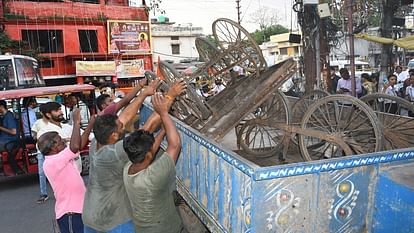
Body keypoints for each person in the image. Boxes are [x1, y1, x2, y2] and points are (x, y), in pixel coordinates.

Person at [82, 80, 185, 233]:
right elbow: (146, 130)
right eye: (120, 128)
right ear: (114, 135)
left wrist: (143, 94)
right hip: (112, 221)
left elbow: (125, 117)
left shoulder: (97, 141)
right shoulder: (114, 154)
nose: (123, 125)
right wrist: (169, 98)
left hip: (89, 215)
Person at [123, 93, 184, 233]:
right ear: (148, 154)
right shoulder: (152, 177)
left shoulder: (128, 168)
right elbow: (175, 145)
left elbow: (149, 153)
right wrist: (163, 114)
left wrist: (163, 130)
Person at [38, 109, 94, 233]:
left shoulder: (60, 156)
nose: (64, 141)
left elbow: (78, 145)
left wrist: (90, 125)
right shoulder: (52, 162)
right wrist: (76, 122)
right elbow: (74, 147)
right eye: (60, 141)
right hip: (70, 214)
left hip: (78, 211)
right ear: (53, 147)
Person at [32, 104, 50, 203]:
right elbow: (34, 135)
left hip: (52, 151)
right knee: (42, 173)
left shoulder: (54, 123)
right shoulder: (37, 123)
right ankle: (44, 193)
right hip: (41, 151)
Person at [0, 100, 22, 175]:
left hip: (9, 142)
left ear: (1, 107)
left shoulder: (9, 116)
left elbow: (13, 132)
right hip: (4, 141)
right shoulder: (4, 116)